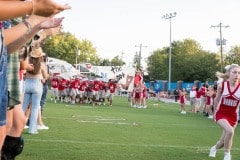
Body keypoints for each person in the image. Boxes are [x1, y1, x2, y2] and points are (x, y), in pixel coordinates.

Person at [0, 0, 71, 156]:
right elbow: (18, 54)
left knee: (12, 126)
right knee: (11, 126)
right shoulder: (13, 12)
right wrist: (34, 17)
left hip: (6, 78)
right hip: (9, 76)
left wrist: (38, 26)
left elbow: (9, 47)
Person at [209, 64, 240, 160]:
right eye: (234, 72)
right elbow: (217, 100)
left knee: (223, 141)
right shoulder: (221, 86)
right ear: (229, 74)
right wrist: (214, 113)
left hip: (233, 116)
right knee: (230, 132)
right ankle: (227, 155)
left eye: (239, 73)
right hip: (221, 114)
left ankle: (214, 148)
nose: (237, 75)